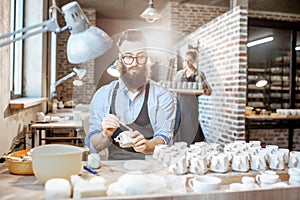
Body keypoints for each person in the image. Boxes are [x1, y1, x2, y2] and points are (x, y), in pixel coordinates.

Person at [85, 29, 178, 160]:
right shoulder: (103, 95)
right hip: (114, 169)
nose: (134, 63)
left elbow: (165, 138)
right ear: (120, 58)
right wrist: (104, 135)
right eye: (128, 56)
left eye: (140, 56)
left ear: (147, 58)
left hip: (152, 167)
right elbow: (93, 145)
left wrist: (147, 145)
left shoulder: (162, 95)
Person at [173, 49, 211, 144]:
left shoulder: (199, 74)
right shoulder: (179, 74)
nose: (187, 63)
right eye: (185, 60)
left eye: (189, 60)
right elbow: (173, 87)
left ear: (194, 61)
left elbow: (209, 91)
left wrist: (204, 90)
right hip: (180, 105)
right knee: (179, 130)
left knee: (191, 129)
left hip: (191, 107)